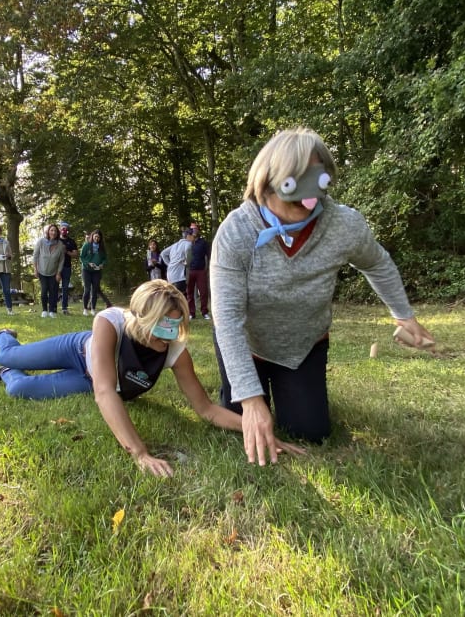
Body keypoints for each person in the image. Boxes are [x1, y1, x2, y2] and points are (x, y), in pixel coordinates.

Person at [210, 127, 435, 466]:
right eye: (294, 184)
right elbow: (227, 319)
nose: (308, 199)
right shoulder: (236, 231)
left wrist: (403, 315)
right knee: (240, 420)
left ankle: (290, 393)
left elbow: (377, 263)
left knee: (309, 432)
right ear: (266, 183)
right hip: (247, 341)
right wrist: (251, 400)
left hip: (303, 344)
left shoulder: (343, 224)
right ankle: (242, 389)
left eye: (316, 179)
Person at [0, 280, 305, 477]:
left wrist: (257, 430)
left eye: (176, 326)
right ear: (143, 318)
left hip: (89, 381)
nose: (170, 335)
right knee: (9, 356)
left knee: (19, 387)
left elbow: (206, 409)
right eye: (163, 326)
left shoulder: (175, 352)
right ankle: (4, 336)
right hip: (78, 352)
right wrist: (140, 453)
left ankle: (4, 375)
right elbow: (105, 392)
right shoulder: (110, 323)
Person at [33, 223, 65, 318]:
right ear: (48, 232)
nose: (53, 232)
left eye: (55, 231)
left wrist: (58, 273)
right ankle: (44, 310)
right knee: (44, 291)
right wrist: (35, 269)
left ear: (57, 233)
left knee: (53, 292)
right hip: (42, 271)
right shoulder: (41, 242)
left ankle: (51, 311)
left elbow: (61, 260)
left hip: (53, 273)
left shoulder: (60, 245)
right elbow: (35, 256)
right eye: (51, 230)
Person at [186, 223, 211, 320]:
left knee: (203, 292)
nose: (194, 231)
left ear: (198, 230)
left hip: (201, 270)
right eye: (192, 229)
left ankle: (204, 312)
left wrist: (208, 269)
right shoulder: (187, 242)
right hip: (189, 270)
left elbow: (209, 256)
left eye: (195, 229)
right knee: (190, 293)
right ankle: (191, 313)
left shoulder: (203, 242)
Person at [160, 227, 195, 295]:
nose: (194, 238)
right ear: (188, 236)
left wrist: (169, 264)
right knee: (181, 297)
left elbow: (163, 253)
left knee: (173, 297)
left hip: (170, 276)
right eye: (193, 236)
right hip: (179, 276)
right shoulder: (188, 243)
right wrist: (187, 263)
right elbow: (188, 250)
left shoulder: (175, 245)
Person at [58, 221, 79, 314]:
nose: (64, 230)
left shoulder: (71, 241)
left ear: (67, 231)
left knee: (65, 287)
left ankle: (64, 308)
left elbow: (75, 254)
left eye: (66, 229)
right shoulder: (56, 240)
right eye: (63, 228)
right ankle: (53, 308)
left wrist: (66, 251)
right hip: (56, 267)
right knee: (54, 286)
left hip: (67, 267)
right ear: (60, 229)